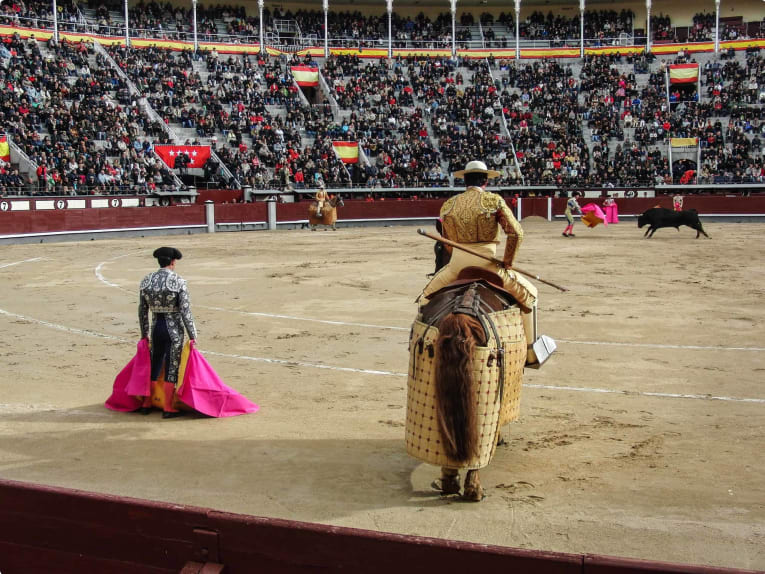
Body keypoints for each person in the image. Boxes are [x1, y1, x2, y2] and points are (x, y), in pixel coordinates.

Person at [421, 160, 538, 352]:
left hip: (457, 266)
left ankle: (420, 346)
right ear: (485, 181)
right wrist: (507, 262)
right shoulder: (493, 201)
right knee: (531, 296)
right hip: (488, 264)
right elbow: (516, 233)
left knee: (424, 299)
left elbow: (447, 241)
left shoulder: (448, 205)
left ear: (464, 181)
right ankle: (531, 351)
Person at [138, 247, 197, 419]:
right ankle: (168, 407)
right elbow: (186, 312)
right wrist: (193, 335)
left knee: (154, 365)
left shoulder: (147, 280)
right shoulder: (179, 281)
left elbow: (142, 311)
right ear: (173, 262)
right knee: (172, 366)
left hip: (156, 328)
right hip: (173, 331)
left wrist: (144, 333)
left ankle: (146, 403)